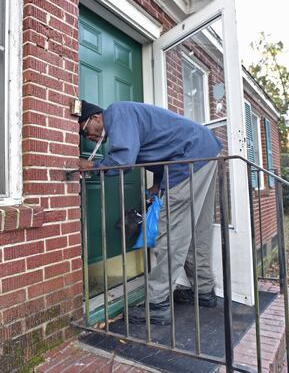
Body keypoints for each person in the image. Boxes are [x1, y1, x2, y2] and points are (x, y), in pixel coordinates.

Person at [78, 100, 222, 325]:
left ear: (96, 118)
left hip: (188, 160)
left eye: (86, 130)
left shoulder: (115, 112)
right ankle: (203, 292)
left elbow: (122, 160)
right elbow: (161, 150)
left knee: (171, 234)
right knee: (196, 231)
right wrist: (158, 185)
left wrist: (93, 167)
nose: (89, 138)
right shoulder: (128, 116)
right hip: (204, 151)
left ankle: (158, 304)